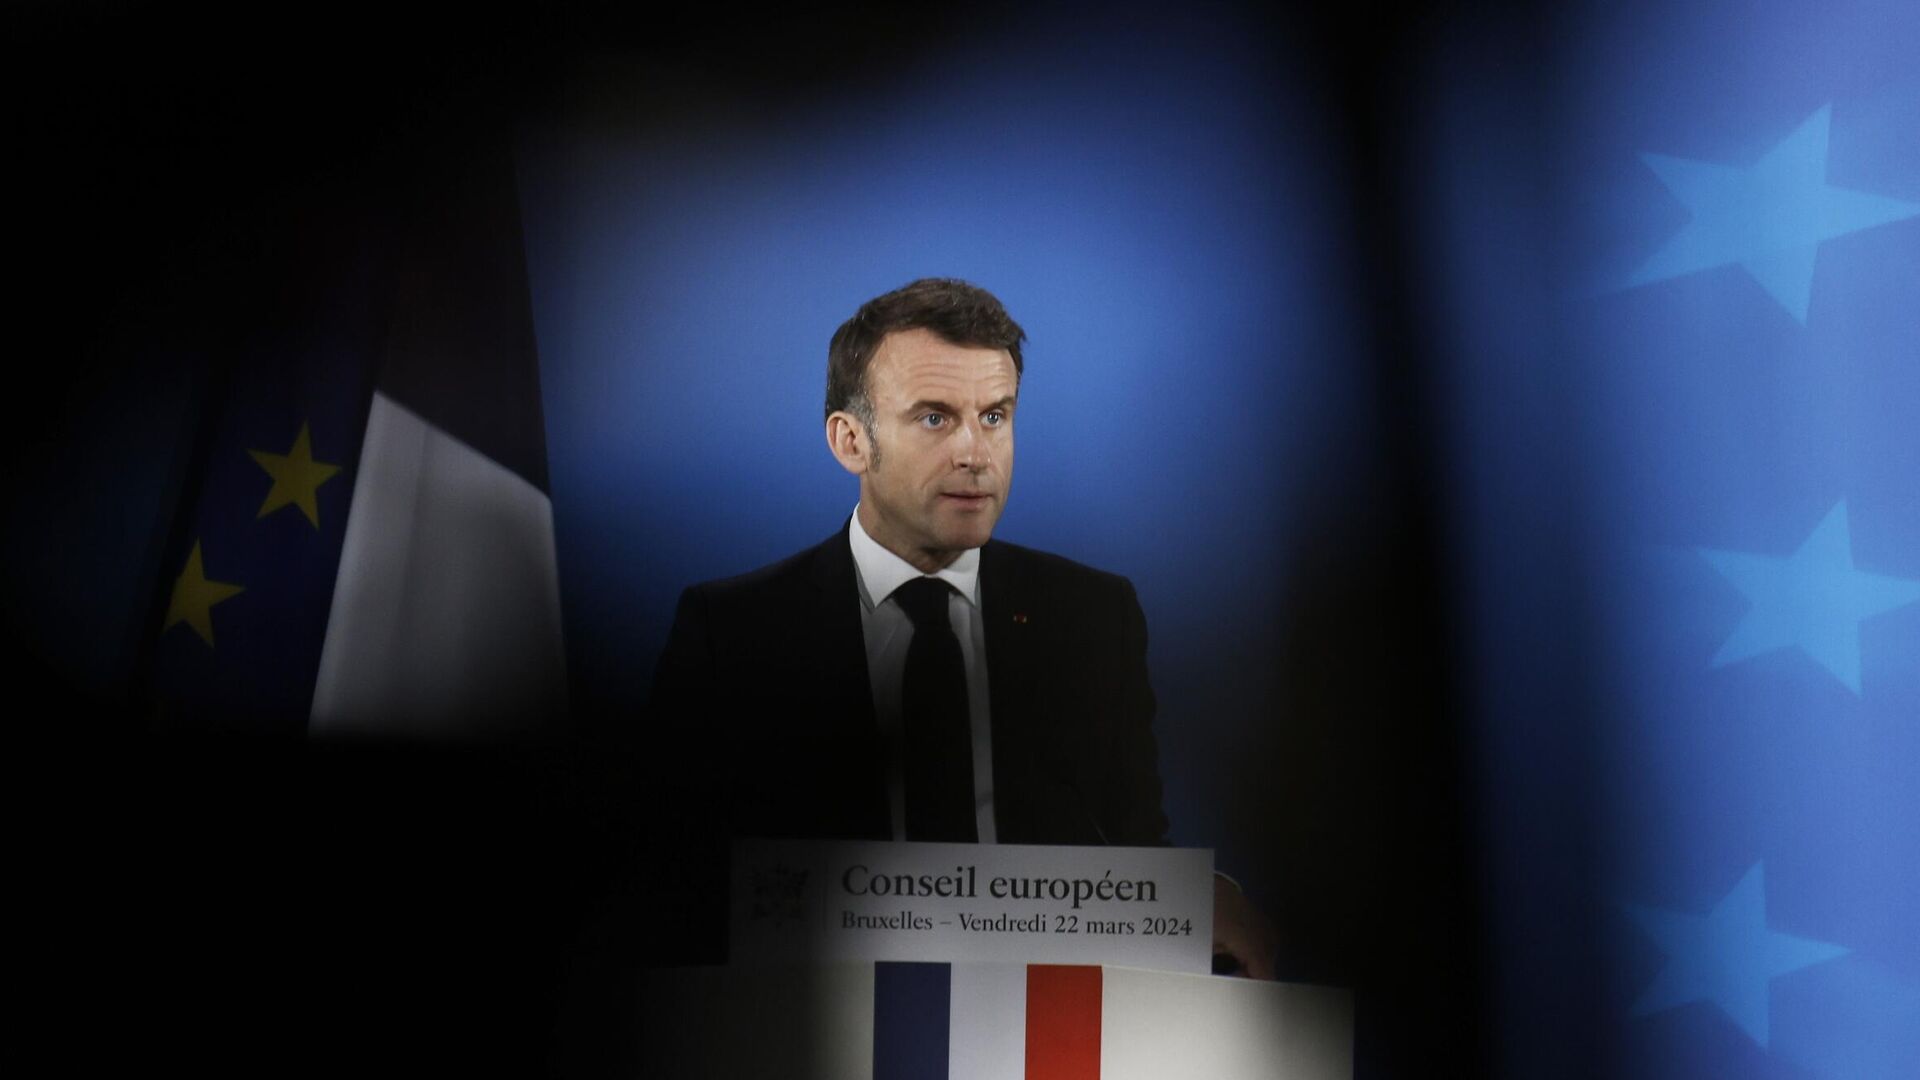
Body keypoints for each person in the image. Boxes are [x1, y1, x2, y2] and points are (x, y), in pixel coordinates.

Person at [650, 277, 1276, 977]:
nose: (975, 454)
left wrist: (1202, 901)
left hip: (1039, 1011)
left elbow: (1131, 851)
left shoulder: (1093, 617)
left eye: (995, 416)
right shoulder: (734, 634)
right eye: (935, 418)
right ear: (850, 441)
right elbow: (673, 879)